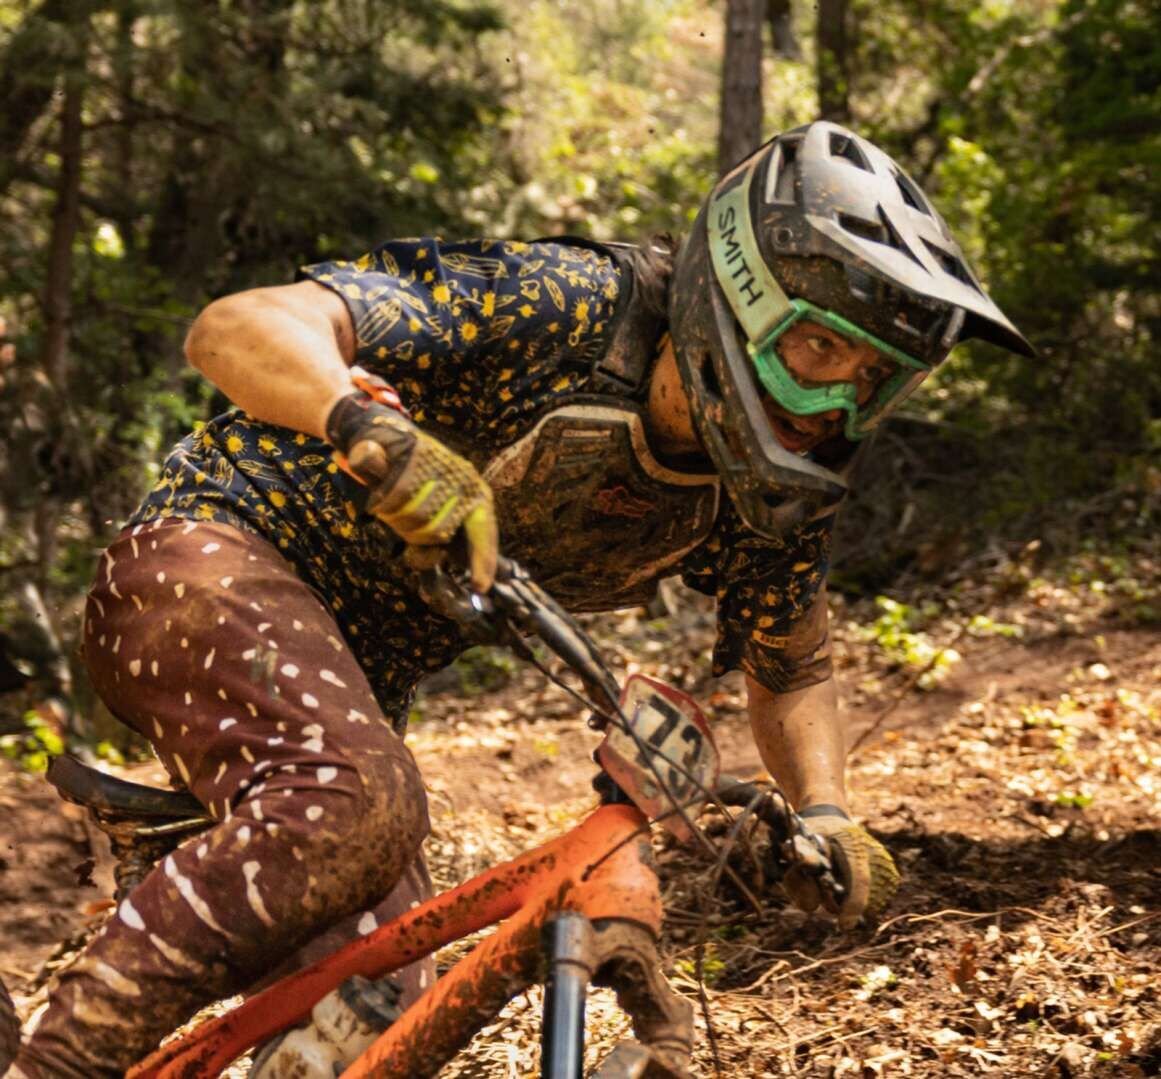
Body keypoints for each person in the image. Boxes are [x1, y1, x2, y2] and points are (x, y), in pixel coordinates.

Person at [9, 121, 1031, 1078]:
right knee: (356, 801)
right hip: (205, 561)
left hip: (353, 686)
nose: (835, 403)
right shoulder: (566, 305)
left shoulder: (768, 490)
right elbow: (236, 326)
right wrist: (359, 418)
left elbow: (792, 656)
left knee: (392, 998)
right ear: (742, 293)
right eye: (819, 349)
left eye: (872, 379)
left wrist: (827, 812)